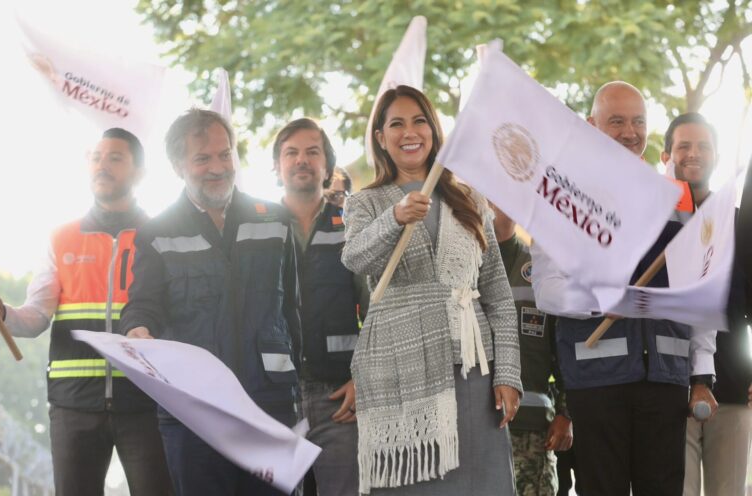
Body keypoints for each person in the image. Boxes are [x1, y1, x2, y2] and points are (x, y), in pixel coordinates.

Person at [531, 81, 716, 496]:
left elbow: (699, 291)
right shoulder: (561, 197)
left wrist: (702, 373)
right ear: (591, 125)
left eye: (638, 122)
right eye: (616, 121)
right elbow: (547, 290)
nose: (630, 132)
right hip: (594, 380)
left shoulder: (676, 199)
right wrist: (605, 300)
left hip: (666, 380)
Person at [341, 85, 522, 495]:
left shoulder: (470, 199)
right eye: (397, 124)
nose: (410, 132)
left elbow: (497, 294)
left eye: (419, 121)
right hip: (400, 371)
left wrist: (508, 373)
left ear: (434, 131)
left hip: (472, 368)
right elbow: (355, 258)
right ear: (381, 138)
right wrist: (394, 218)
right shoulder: (366, 203)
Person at [120, 108, 301, 496]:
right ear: (178, 166)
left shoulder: (275, 220)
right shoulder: (157, 232)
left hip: (269, 405)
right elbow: (142, 304)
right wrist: (138, 329)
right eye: (202, 158)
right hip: (193, 411)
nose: (217, 167)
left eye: (224, 154)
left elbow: (293, 311)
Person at [0, 128, 171, 496]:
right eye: (96, 158)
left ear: (139, 172)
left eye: (115, 158)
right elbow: (35, 317)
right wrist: (3, 314)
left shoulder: (162, 235)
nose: (102, 165)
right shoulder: (61, 237)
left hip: (146, 402)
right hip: (73, 404)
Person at [273, 118, 366, 495]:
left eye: (313, 152)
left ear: (328, 167)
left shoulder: (352, 226)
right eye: (291, 152)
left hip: (339, 398)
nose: (302, 160)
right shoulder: (256, 227)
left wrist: (363, 379)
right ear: (277, 167)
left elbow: (375, 309)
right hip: (275, 396)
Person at [671, 113, 752, 496]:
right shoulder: (656, 227)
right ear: (667, 155)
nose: (694, 153)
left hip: (734, 387)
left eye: (703, 146)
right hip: (668, 388)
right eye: (684, 145)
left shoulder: (739, 226)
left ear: (716, 156)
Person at [491, 205, 572, 496]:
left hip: (533, 428)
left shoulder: (540, 268)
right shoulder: (463, 263)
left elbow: (564, 348)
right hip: (474, 427)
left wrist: (566, 413)